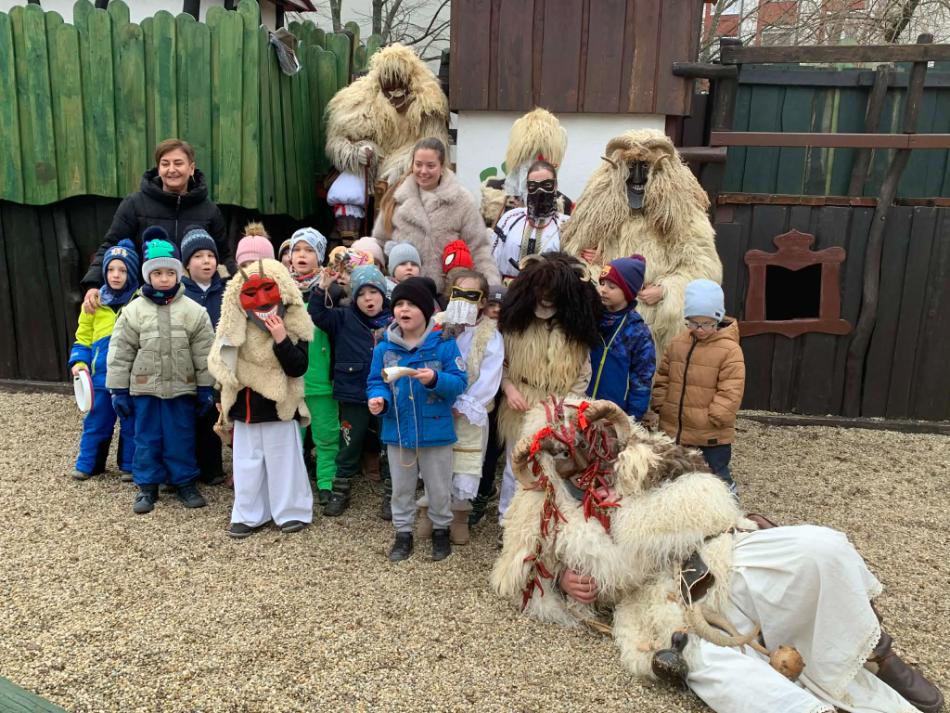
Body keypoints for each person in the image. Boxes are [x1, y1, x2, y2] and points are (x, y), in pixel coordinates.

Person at [493, 396, 944, 713]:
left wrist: (652, 516)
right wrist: (562, 582)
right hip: (655, 598)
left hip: (717, 550)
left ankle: (877, 652)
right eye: (561, 450)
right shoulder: (542, 510)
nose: (577, 455)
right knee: (707, 661)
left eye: (582, 440)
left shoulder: (644, 455)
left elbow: (708, 495)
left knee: (819, 547)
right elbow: (518, 576)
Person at [560, 129, 722, 361]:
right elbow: (575, 258)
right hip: (609, 320)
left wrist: (666, 290)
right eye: (630, 167)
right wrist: (600, 272)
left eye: (645, 167)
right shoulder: (597, 213)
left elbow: (704, 268)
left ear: (662, 172)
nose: (637, 177)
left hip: (655, 321)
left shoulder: (685, 217)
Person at [106, 229, 215, 514]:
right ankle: (147, 486)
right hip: (145, 390)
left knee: (181, 438)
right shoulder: (133, 311)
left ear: (178, 274)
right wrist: (118, 390)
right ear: (148, 276)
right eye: (157, 273)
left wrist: (206, 387)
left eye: (170, 273)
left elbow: (204, 353)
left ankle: (185, 482)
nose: (164, 278)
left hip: (182, 389)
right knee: (146, 439)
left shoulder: (194, 312)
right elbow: (120, 353)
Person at [208, 257, 315, 538]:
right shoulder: (235, 325)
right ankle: (249, 513)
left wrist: (281, 338)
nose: (263, 299)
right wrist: (219, 394)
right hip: (245, 406)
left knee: (285, 462)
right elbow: (222, 361)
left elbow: (298, 367)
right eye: (252, 292)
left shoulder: (295, 325)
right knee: (246, 464)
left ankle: (291, 510)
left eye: (269, 289)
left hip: (280, 406)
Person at [366, 277, 467, 562]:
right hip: (398, 429)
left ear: (426, 310)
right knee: (400, 487)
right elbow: (376, 381)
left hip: (436, 430)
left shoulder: (444, 344)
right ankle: (403, 533)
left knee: (439, 486)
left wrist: (435, 379)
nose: (404, 309)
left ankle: (441, 529)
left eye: (411, 304)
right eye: (399, 304)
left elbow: (460, 382)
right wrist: (379, 400)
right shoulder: (384, 347)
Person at [496, 252, 600, 526]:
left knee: (551, 466)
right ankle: (507, 520)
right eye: (541, 289)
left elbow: (583, 373)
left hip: (558, 407)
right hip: (520, 402)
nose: (545, 297)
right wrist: (509, 388)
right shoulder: (515, 325)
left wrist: (566, 405)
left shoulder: (576, 331)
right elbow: (499, 363)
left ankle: (540, 522)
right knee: (515, 463)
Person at [81, 139, 229, 313]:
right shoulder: (135, 204)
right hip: (143, 302)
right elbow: (111, 245)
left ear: (191, 168)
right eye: (165, 164)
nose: (171, 169)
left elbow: (224, 256)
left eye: (178, 163)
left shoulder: (209, 211)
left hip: (192, 304)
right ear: (158, 168)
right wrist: (93, 284)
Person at [427, 269, 503, 546]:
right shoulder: (438, 324)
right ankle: (432, 512)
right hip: (435, 403)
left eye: (471, 295)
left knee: (464, 466)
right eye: (458, 294)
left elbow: (489, 376)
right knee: (435, 460)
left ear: (482, 301)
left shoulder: (490, 335)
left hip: (468, 411)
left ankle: (459, 516)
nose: (463, 300)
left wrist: (464, 404)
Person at [309, 264, 392, 517]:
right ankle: (340, 489)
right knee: (348, 441)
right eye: (361, 293)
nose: (368, 298)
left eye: (373, 292)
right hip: (352, 391)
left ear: (383, 293)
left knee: (389, 442)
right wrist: (322, 288)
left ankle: (392, 493)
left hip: (387, 392)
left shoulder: (395, 319)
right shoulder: (343, 317)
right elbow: (317, 314)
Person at [646, 279, 744, 493]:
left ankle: (731, 506)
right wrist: (661, 403)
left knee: (716, 477)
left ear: (717, 319)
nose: (699, 329)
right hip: (675, 429)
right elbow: (664, 376)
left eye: (706, 324)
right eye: (693, 323)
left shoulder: (729, 350)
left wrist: (716, 416)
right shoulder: (678, 343)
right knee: (676, 475)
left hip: (710, 434)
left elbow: (731, 389)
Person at [372, 137, 501, 292]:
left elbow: (479, 249)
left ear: (442, 166)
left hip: (448, 294)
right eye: (418, 164)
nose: (423, 171)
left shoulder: (462, 201)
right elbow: (379, 243)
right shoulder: (396, 198)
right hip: (403, 295)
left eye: (430, 166)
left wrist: (491, 288)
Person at [68, 239, 139, 481]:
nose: (115, 275)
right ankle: (88, 464)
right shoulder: (94, 304)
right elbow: (82, 339)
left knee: (131, 422)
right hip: (100, 377)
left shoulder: (139, 302)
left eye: (122, 270)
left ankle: (129, 466)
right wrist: (79, 363)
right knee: (97, 422)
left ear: (132, 273)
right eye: (110, 269)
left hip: (130, 378)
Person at [289, 227, 338, 506]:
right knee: (293, 436)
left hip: (322, 379)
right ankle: (294, 484)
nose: (302, 255)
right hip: (291, 380)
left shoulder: (333, 291)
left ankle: (326, 482)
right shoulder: (280, 290)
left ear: (319, 256)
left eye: (309, 250)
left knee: (326, 434)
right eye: (297, 249)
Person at [180, 226, 228, 485]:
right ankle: (188, 468)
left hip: (218, 363)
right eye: (198, 256)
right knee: (188, 418)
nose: (206, 261)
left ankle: (212, 469)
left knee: (212, 415)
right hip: (188, 364)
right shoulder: (181, 292)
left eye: (210, 256)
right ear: (187, 264)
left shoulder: (225, 291)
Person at [587, 255, 655, 420]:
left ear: (627, 291)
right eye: (602, 283)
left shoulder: (638, 332)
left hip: (614, 414)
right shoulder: (590, 318)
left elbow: (642, 379)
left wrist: (632, 418)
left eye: (612, 286)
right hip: (582, 406)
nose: (603, 290)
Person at [491, 160, 569, 283]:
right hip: (509, 290)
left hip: (548, 291)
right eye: (533, 186)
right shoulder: (510, 218)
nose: (540, 191)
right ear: (527, 187)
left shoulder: (566, 225)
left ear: (555, 186)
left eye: (546, 185)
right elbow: (491, 259)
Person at [469, 283, 507, 526]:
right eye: (491, 304)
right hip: (480, 399)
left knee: (493, 448)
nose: (496, 310)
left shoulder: (514, 332)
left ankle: (483, 494)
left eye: (501, 306)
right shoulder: (474, 331)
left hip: (504, 400)